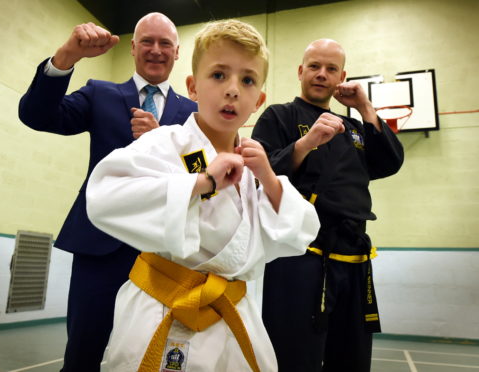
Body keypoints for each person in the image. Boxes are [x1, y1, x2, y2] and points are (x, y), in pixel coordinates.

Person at [85, 19, 320, 372]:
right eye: (219, 75)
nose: (232, 90)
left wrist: (270, 179)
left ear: (259, 100)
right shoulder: (166, 142)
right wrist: (200, 183)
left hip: (233, 314)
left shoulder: (254, 170)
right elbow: (104, 194)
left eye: (247, 80)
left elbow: (300, 233)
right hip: (164, 306)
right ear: (193, 87)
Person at [18, 13, 197, 372]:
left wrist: (163, 141)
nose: (156, 50)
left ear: (177, 52)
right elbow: (37, 116)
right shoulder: (101, 94)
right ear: (132, 47)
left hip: (163, 252)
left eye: (165, 44)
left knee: (153, 354)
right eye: (147, 41)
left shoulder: (193, 113)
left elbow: (201, 173)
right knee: (84, 350)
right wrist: (66, 56)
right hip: (99, 246)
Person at [251, 39, 404, 372]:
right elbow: (261, 175)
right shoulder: (280, 115)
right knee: (294, 356)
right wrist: (306, 143)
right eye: (315, 66)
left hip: (353, 257)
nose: (321, 74)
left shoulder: (352, 128)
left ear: (342, 76)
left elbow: (390, 162)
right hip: (301, 257)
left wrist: (364, 108)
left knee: (352, 357)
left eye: (331, 69)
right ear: (300, 71)